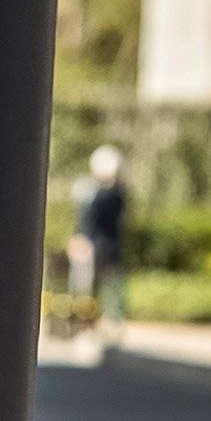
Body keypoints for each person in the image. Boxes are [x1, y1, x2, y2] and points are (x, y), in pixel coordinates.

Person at [68, 142, 128, 332]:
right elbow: (85, 219)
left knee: (110, 290)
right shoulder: (93, 192)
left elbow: (100, 212)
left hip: (106, 250)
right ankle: (83, 324)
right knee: (84, 289)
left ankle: (110, 323)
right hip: (91, 248)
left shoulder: (112, 194)